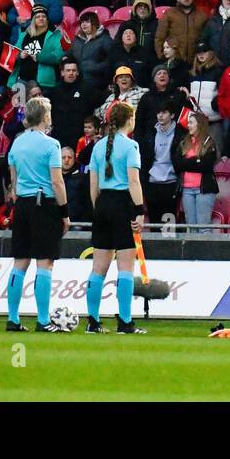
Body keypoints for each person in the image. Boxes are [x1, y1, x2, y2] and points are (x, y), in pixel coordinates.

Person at [4, 97, 69, 334]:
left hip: (22, 204)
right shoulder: (51, 144)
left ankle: (13, 318)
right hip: (44, 204)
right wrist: (64, 212)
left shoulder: (17, 144)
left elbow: (13, 180)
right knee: (45, 262)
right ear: (45, 116)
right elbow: (56, 180)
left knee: (20, 262)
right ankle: (43, 320)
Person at [85, 101, 147, 334]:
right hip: (122, 204)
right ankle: (125, 321)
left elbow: (93, 183)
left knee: (98, 268)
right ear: (129, 120)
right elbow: (133, 180)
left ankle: (92, 320)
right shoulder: (130, 146)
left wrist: (97, 208)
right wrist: (139, 210)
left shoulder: (98, 147)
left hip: (102, 204)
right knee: (125, 267)